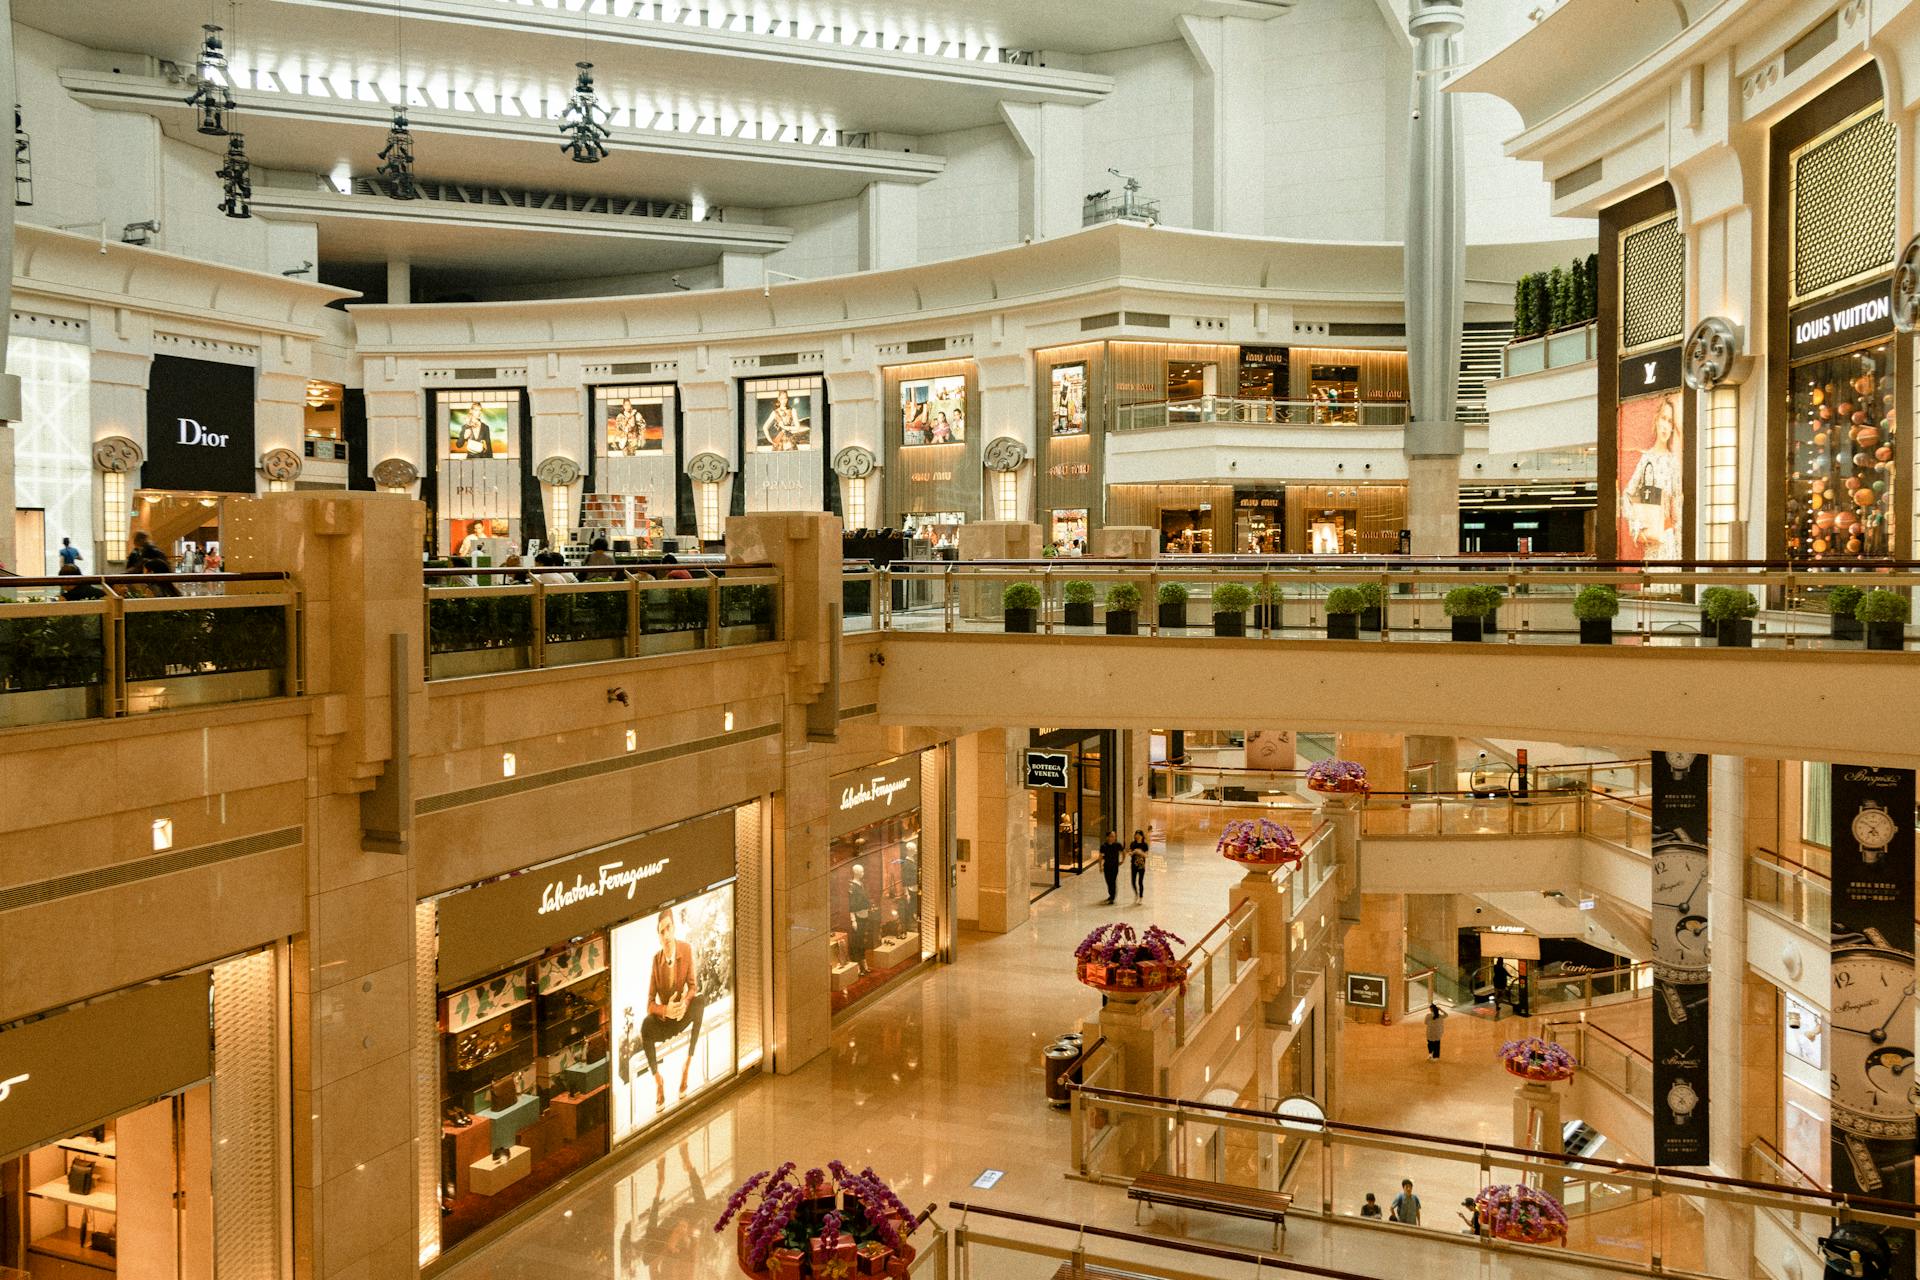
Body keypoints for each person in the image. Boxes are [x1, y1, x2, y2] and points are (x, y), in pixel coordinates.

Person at [635, 908, 705, 1110]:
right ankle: (658, 1081)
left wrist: (685, 1002)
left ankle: (687, 1065)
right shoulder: (656, 961)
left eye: (668, 928)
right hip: (666, 1021)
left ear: (674, 929)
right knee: (646, 1026)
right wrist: (665, 1010)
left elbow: (693, 987)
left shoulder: (686, 949)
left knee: (700, 1001)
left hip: (682, 1014)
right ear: (658, 936)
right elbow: (649, 1003)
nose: (666, 935)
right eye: (661, 931)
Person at [1623, 396, 1683, 561]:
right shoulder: (1646, 460)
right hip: (1651, 538)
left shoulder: (1673, 462)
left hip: (1668, 538)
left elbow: (1677, 506)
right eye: (1664, 418)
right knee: (1651, 580)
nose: (1666, 425)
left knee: (1668, 582)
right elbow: (1627, 495)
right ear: (1656, 420)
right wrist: (1637, 526)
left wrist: (1680, 548)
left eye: (1670, 421)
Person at [847, 864, 874, 975]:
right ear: (857, 873)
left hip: (864, 915)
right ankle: (858, 966)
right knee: (857, 942)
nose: (863, 873)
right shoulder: (853, 887)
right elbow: (852, 905)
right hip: (858, 917)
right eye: (862, 871)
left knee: (862, 941)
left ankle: (864, 964)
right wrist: (853, 920)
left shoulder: (861, 885)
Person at [1098, 830, 1123, 905]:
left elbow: (1123, 851)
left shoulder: (1118, 845)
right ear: (1107, 837)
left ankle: (1112, 897)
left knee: (1113, 881)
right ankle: (1111, 894)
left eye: (1114, 836)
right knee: (1108, 881)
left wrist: (1122, 860)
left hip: (1115, 866)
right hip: (1106, 866)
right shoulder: (1104, 846)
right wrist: (1100, 867)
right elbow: (1100, 857)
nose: (1113, 838)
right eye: (1111, 836)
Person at [1128, 828, 1150, 903]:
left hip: (1141, 866)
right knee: (1133, 881)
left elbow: (1146, 855)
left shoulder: (1145, 845)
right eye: (1136, 835)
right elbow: (1130, 853)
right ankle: (1136, 894)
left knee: (1140, 882)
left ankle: (1141, 897)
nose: (1136, 836)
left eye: (1138, 835)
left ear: (1142, 836)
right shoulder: (1133, 843)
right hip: (1133, 865)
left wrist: (1140, 852)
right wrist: (1133, 852)